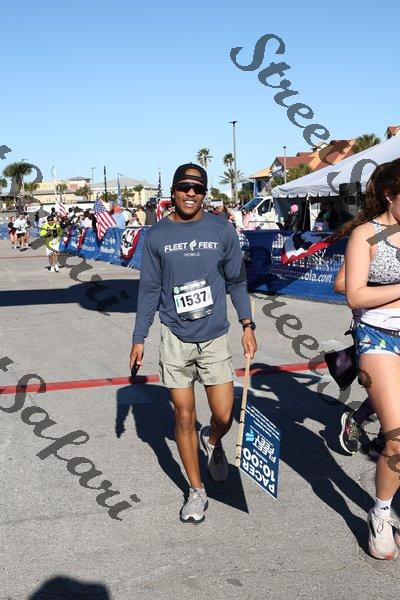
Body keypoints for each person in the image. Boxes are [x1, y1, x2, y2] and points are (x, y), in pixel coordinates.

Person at [130, 163, 257, 524]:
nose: (190, 194)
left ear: (204, 193)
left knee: (224, 415)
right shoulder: (157, 235)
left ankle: (212, 440)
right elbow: (149, 289)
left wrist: (247, 324)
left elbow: (236, 281)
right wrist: (139, 337)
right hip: (175, 337)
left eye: (197, 188)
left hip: (214, 336)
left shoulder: (222, 229)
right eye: (184, 187)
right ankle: (196, 491)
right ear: (173, 191)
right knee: (184, 415)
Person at [340, 159, 400, 560]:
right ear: (390, 195)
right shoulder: (367, 234)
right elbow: (354, 294)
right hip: (378, 338)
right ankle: (380, 512)